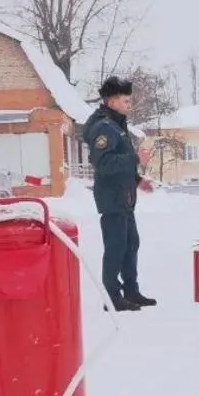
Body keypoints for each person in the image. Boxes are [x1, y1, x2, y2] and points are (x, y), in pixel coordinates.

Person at [82, 76, 156, 312]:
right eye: (125, 100)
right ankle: (112, 296)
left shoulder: (117, 125)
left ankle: (131, 291)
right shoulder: (104, 128)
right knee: (116, 247)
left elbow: (120, 163)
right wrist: (135, 158)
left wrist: (138, 180)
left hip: (124, 197)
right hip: (112, 197)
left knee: (131, 243)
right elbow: (103, 163)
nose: (129, 104)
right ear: (112, 101)